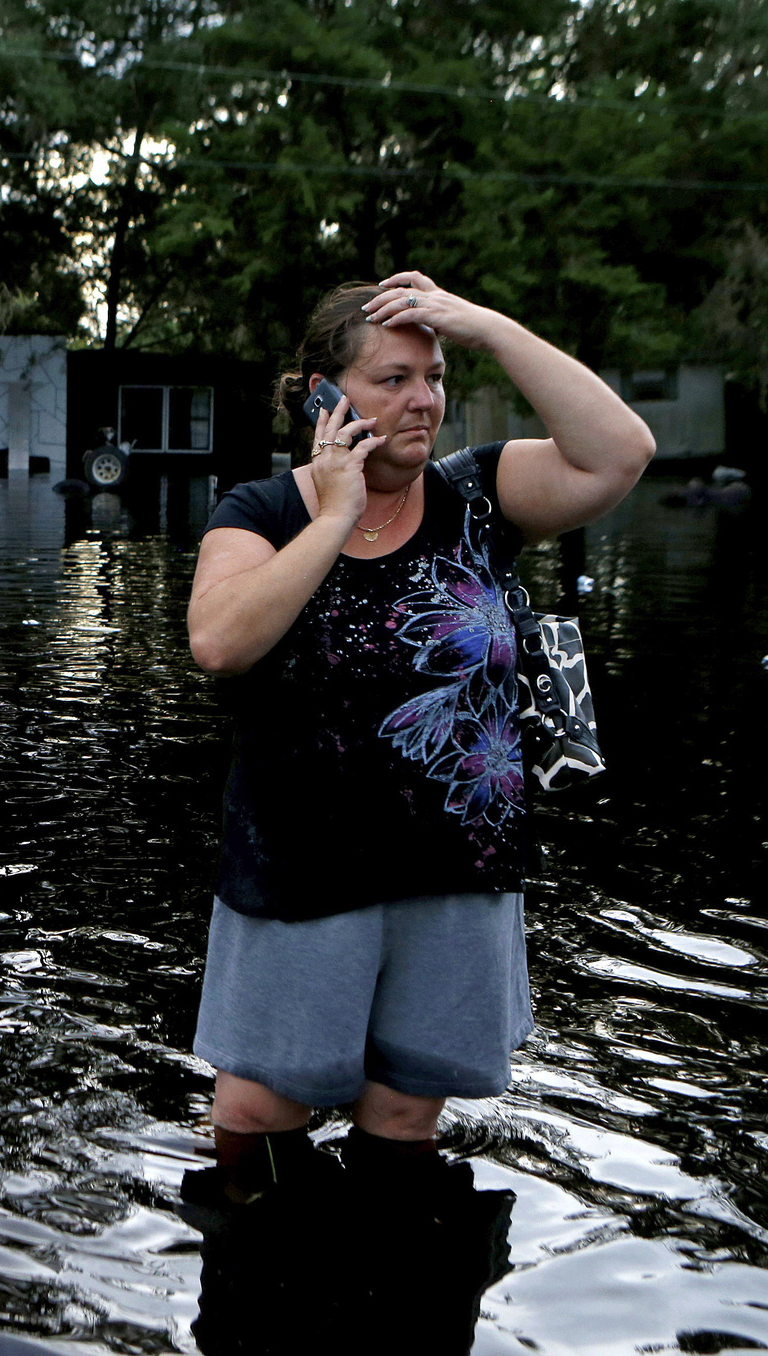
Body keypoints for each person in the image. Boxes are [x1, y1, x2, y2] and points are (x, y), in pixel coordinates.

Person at [183, 271, 653, 1207]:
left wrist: (486, 326)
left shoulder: (478, 494)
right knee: (256, 1115)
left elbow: (619, 455)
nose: (425, 398)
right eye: (394, 378)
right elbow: (221, 641)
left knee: (403, 1123)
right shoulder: (261, 513)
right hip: (302, 876)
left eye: (434, 377)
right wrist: (335, 516)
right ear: (324, 394)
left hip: (453, 872)